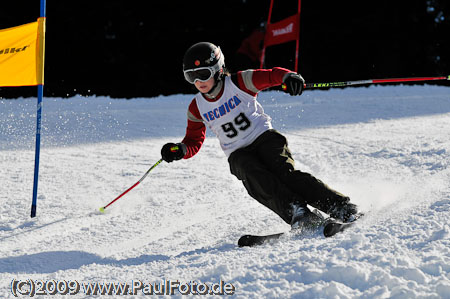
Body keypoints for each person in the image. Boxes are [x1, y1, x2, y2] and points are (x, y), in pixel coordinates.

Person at [161, 42, 359, 230]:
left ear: (218, 69)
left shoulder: (239, 82)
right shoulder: (196, 108)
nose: (198, 82)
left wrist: (288, 78)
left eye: (203, 74)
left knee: (284, 174)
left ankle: (340, 207)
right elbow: (193, 141)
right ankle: (297, 212)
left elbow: (272, 75)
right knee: (255, 178)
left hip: (264, 138)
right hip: (237, 152)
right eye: (191, 77)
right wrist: (180, 150)